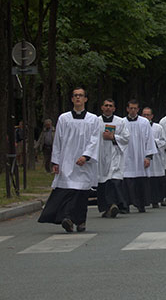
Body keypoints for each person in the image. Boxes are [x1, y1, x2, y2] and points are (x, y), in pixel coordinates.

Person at [38, 88, 101, 233]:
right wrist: (56, 162)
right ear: (72, 99)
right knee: (67, 191)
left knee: (81, 193)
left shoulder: (93, 119)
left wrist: (86, 156)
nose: (78, 98)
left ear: (85, 99)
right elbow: (58, 141)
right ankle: (67, 218)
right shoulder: (64, 118)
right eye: (75, 96)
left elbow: (95, 140)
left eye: (81, 95)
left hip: (84, 163)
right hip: (67, 160)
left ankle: (81, 220)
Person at [96, 99, 129, 218]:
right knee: (102, 182)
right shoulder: (96, 121)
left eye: (110, 106)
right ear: (102, 107)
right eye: (106, 105)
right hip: (100, 156)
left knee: (114, 180)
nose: (108, 108)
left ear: (114, 108)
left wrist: (113, 137)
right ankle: (107, 208)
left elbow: (126, 138)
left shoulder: (120, 122)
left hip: (115, 154)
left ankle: (114, 204)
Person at [123, 99, 157, 213]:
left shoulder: (144, 122)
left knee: (140, 182)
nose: (133, 110)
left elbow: (149, 139)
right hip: (127, 156)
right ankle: (125, 205)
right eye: (131, 108)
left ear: (138, 109)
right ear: (127, 109)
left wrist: (148, 157)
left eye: (135, 108)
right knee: (127, 181)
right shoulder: (122, 122)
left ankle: (141, 204)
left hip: (140, 156)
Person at [142, 107, 166, 208]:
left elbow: (164, 142)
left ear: (152, 116)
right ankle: (145, 200)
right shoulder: (139, 126)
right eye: (144, 115)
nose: (146, 117)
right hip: (143, 157)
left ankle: (156, 200)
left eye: (148, 115)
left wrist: (153, 142)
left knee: (156, 180)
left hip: (156, 158)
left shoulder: (158, 127)